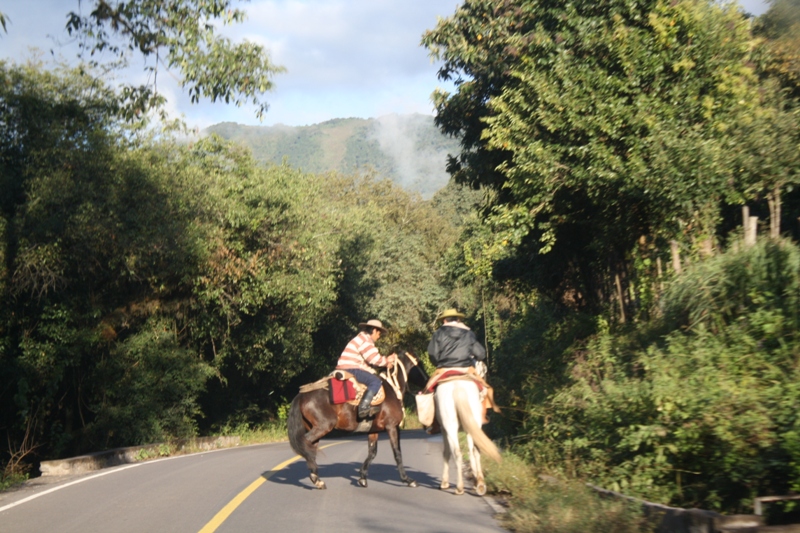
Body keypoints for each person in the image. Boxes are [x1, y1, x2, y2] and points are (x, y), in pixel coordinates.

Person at [336, 319, 397, 419]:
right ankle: (363, 408)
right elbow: (373, 358)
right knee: (375, 381)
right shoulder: (366, 340)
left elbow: (368, 360)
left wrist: (386, 360)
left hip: (347, 367)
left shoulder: (361, 338)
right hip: (351, 368)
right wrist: (386, 362)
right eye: (379, 333)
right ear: (374, 330)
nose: (379, 336)